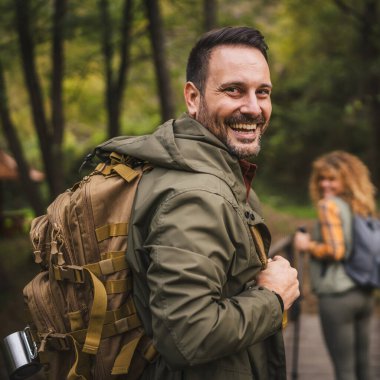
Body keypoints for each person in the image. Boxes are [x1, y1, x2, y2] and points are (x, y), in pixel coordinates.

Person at [100, 26, 300, 379]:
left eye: (263, 92)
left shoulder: (186, 166)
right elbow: (188, 336)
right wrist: (274, 298)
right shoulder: (195, 195)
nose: (253, 108)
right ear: (193, 98)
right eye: (234, 90)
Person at [294, 151, 376, 380]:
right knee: (363, 366)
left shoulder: (329, 206)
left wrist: (307, 244)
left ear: (346, 180)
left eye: (332, 179)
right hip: (363, 292)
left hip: (338, 297)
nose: (324, 184)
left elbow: (336, 251)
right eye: (321, 178)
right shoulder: (361, 205)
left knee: (345, 371)